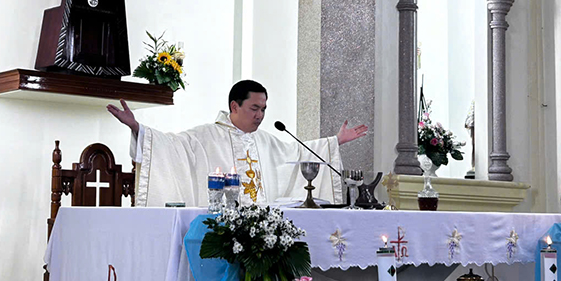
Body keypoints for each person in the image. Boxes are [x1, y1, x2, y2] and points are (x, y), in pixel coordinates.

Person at [107, 80, 368, 207]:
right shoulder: (206, 136)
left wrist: (335, 142)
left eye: (263, 109)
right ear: (234, 106)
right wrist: (137, 129)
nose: (260, 115)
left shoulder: (265, 140)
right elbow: (173, 147)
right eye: (254, 108)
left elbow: (297, 153)